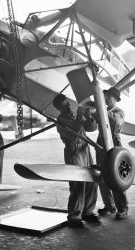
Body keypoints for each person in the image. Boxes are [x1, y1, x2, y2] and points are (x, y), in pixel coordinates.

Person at [53, 93, 100, 228]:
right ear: (59, 108)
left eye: (67, 103)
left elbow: (91, 128)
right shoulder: (61, 121)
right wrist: (80, 117)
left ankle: (88, 212)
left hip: (85, 149)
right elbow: (73, 136)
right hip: (74, 151)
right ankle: (74, 217)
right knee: (78, 184)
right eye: (64, 105)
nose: (68, 106)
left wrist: (89, 116)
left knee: (92, 180)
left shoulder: (74, 116)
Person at [96, 87, 129, 220]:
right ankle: (109, 205)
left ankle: (123, 208)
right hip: (101, 144)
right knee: (102, 177)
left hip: (114, 144)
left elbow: (115, 121)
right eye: (105, 96)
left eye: (108, 96)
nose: (106, 98)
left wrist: (98, 111)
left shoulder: (118, 111)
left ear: (115, 99)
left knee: (116, 177)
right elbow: (92, 126)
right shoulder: (103, 111)